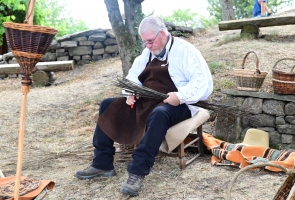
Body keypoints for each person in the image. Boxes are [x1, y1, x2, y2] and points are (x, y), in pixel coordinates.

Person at [75, 15, 213, 196]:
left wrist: (180, 96)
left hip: (180, 104)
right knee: (108, 104)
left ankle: (137, 171)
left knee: (160, 113)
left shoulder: (185, 51)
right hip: (148, 101)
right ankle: (102, 163)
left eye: (150, 41)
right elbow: (133, 76)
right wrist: (131, 92)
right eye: (145, 42)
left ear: (162, 34)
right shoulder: (147, 53)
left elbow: (202, 82)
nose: (147, 46)